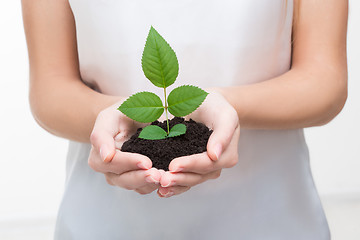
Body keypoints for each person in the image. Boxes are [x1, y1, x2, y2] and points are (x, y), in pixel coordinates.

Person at [21, 0, 348, 239]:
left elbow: (325, 82)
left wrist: (228, 107)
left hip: (270, 216)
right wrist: (116, 118)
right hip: (107, 222)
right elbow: (50, 89)